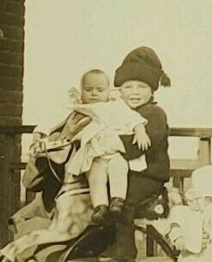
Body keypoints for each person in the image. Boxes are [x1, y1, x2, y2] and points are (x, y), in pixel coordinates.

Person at [97, 46, 172, 262]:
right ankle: (102, 241)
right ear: (119, 90)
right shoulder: (120, 113)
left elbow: (139, 147)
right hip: (124, 170)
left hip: (149, 175)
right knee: (101, 193)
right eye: (128, 87)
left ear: (152, 91)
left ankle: (126, 248)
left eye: (141, 87)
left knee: (125, 199)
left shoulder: (153, 114)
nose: (135, 92)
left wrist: (108, 142)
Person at [63, 69, 152, 225]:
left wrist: (140, 130)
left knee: (118, 167)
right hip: (95, 153)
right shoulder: (80, 109)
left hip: (115, 152)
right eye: (88, 90)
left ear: (108, 91)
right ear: (82, 91)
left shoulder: (116, 106)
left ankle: (117, 200)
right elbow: (63, 126)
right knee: (95, 175)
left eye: (100, 90)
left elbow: (133, 118)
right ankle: (100, 206)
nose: (94, 94)